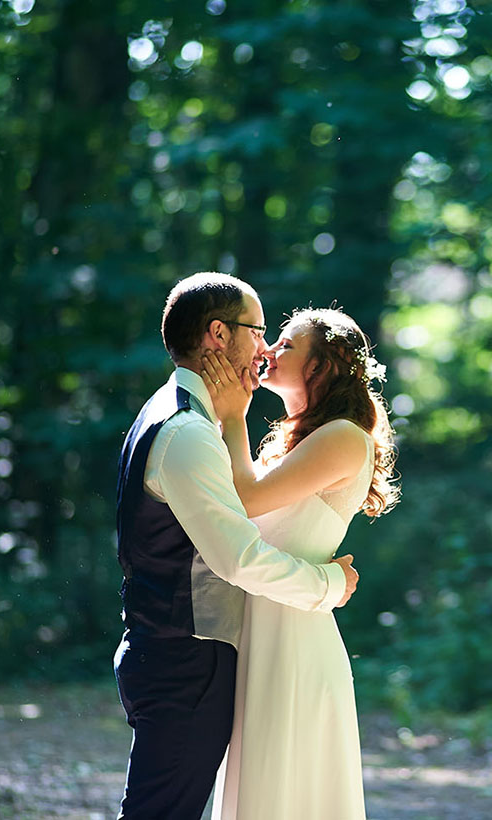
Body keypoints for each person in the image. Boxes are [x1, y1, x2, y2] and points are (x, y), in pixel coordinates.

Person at [113, 274, 359, 820]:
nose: (265, 347)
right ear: (219, 335)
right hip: (184, 656)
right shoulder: (188, 431)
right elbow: (238, 557)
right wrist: (329, 585)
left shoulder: (172, 413)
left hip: (183, 650)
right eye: (258, 330)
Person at [203, 307, 399, 820]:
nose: (268, 351)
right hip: (260, 628)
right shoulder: (298, 439)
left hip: (293, 641)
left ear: (324, 364)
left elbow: (243, 501)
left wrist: (232, 413)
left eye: (287, 344)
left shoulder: (343, 437)